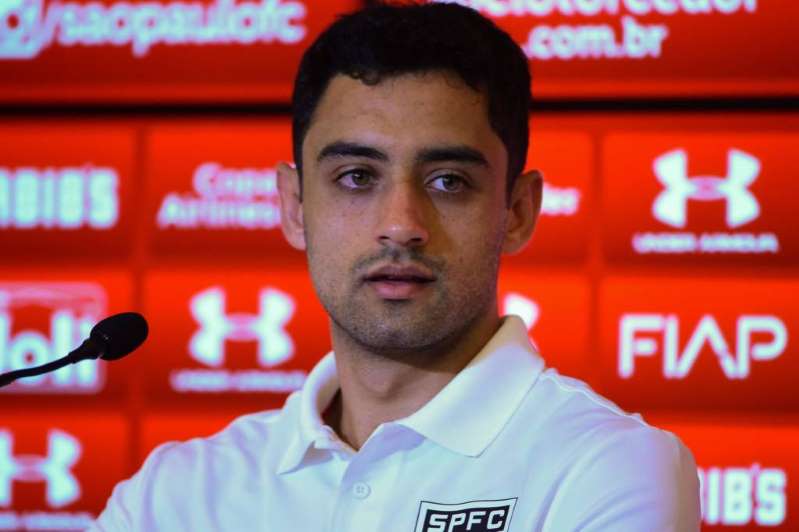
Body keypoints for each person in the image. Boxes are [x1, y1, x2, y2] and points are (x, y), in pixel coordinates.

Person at [91, 3, 700, 530]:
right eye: (357, 177)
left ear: (517, 211)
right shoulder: (175, 493)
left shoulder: (607, 467)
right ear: (294, 206)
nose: (401, 223)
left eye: (448, 181)